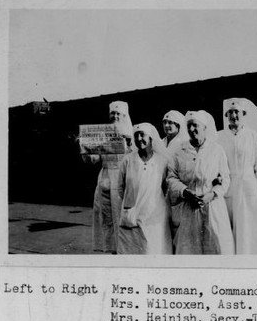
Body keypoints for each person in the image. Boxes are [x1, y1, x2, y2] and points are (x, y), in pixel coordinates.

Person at [167, 110, 234, 254]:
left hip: (213, 206)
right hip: (189, 206)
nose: (191, 129)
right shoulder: (180, 151)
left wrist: (213, 194)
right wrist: (185, 191)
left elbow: (225, 178)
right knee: (189, 248)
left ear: (204, 128)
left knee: (216, 246)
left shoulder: (216, 150)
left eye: (195, 125)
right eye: (189, 126)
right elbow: (171, 177)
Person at [217, 98, 257, 254]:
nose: (233, 116)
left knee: (249, 231)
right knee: (229, 231)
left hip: (249, 190)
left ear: (243, 114)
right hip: (228, 190)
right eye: (230, 113)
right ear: (226, 116)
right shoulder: (220, 137)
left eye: (236, 112)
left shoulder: (253, 136)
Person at [84, 101, 133, 253]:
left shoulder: (131, 134)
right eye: (113, 113)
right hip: (105, 179)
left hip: (122, 179)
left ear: (124, 115)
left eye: (119, 114)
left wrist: (129, 141)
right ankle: (110, 249)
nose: (115, 116)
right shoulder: (103, 134)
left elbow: (136, 156)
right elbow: (94, 159)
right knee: (106, 218)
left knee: (121, 216)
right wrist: (85, 149)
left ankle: (124, 249)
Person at [116, 123, 172, 254]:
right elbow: (120, 187)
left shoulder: (162, 161)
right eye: (136, 135)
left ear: (151, 138)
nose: (139, 138)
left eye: (142, 135)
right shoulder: (127, 160)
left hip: (155, 216)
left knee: (153, 250)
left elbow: (166, 187)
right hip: (132, 215)